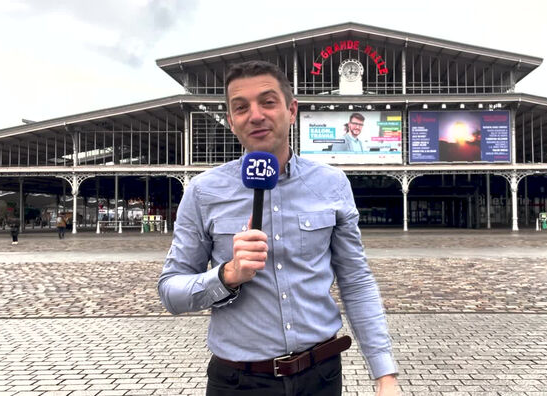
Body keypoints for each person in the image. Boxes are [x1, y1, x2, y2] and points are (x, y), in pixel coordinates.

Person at [158, 61, 399, 396]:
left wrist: (384, 374)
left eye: (268, 102)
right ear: (231, 122)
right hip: (238, 383)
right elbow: (171, 291)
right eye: (241, 107)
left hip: (322, 377)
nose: (255, 115)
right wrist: (226, 275)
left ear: (292, 110)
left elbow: (356, 281)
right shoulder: (203, 192)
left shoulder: (332, 184)